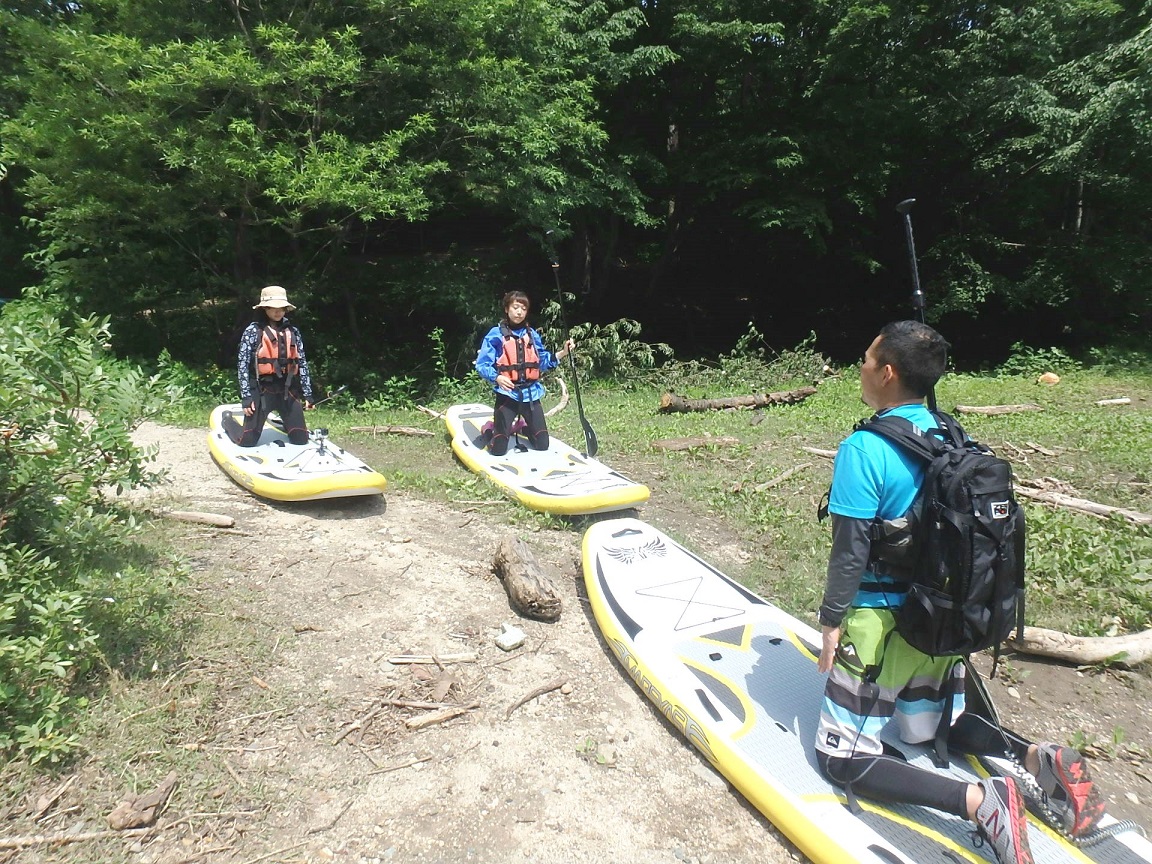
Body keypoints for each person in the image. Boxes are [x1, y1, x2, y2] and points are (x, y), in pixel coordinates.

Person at [814, 320, 1105, 864]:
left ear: (887, 372)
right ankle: (1038, 757)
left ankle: (978, 802)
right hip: (944, 615)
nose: (860, 367)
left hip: (882, 624)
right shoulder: (950, 434)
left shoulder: (864, 448)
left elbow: (851, 550)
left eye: (866, 358)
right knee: (925, 728)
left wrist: (832, 621)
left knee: (842, 759)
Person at [473, 291, 574, 456]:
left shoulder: (531, 335)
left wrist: (563, 352)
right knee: (498, 450)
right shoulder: (495, 334)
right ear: (507, 309)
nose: (519, 312)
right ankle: (489, 428)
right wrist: (497, 377)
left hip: (531, 395)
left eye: (524, 308)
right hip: (507, 395)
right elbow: (482, 364)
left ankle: (521, 426)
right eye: (515, 307)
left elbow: (542, 362)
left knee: (542, 444)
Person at [224, 285, 314, 447]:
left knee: (301, 440)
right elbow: (243, 365)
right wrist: (246, 397)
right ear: (265, 308)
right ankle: (227, 421)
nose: (278, 312)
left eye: (281, 308)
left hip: (287, 390)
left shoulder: (293, 331)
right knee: (246, 442)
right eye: (273, 308)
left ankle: (288, 423)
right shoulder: (253, 331)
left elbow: (302, 363)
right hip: (262, 390)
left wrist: (308, 394)